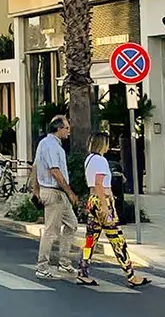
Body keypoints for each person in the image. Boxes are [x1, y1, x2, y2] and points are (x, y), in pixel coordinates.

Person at [76, 133, 148, 289]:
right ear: (102, 144)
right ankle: (131, 275)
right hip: (102, 201)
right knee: (117, 239)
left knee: (90, 239)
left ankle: (82, 271)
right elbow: (99, 183)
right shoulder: (101, 161)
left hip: (92, 200)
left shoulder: (89, 159)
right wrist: (105, 205)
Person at [32, 115, 80, 280]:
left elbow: (35, 166)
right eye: (67, 128)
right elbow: (55, 171)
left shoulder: (43, 143)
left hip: (55, 192)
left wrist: (35, 189)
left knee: (72, 224)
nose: (69, 131)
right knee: (51, 231)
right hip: (54, 192)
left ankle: (64, 262)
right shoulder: (52, 146)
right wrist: (70, 192)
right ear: (59, 129)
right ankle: (42, 267)